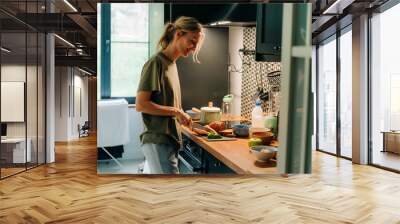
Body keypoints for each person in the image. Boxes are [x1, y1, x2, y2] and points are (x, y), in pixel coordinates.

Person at [135, 16, 204, 174]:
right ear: (178, 34)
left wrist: (180, 116)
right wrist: (176, 112)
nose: (193, 48)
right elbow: (141, 104)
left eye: (196, 43)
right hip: (157, 140)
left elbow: (166, 102)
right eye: (192, 41)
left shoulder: (171, 64)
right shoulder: (156, 63)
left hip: (168, 140)